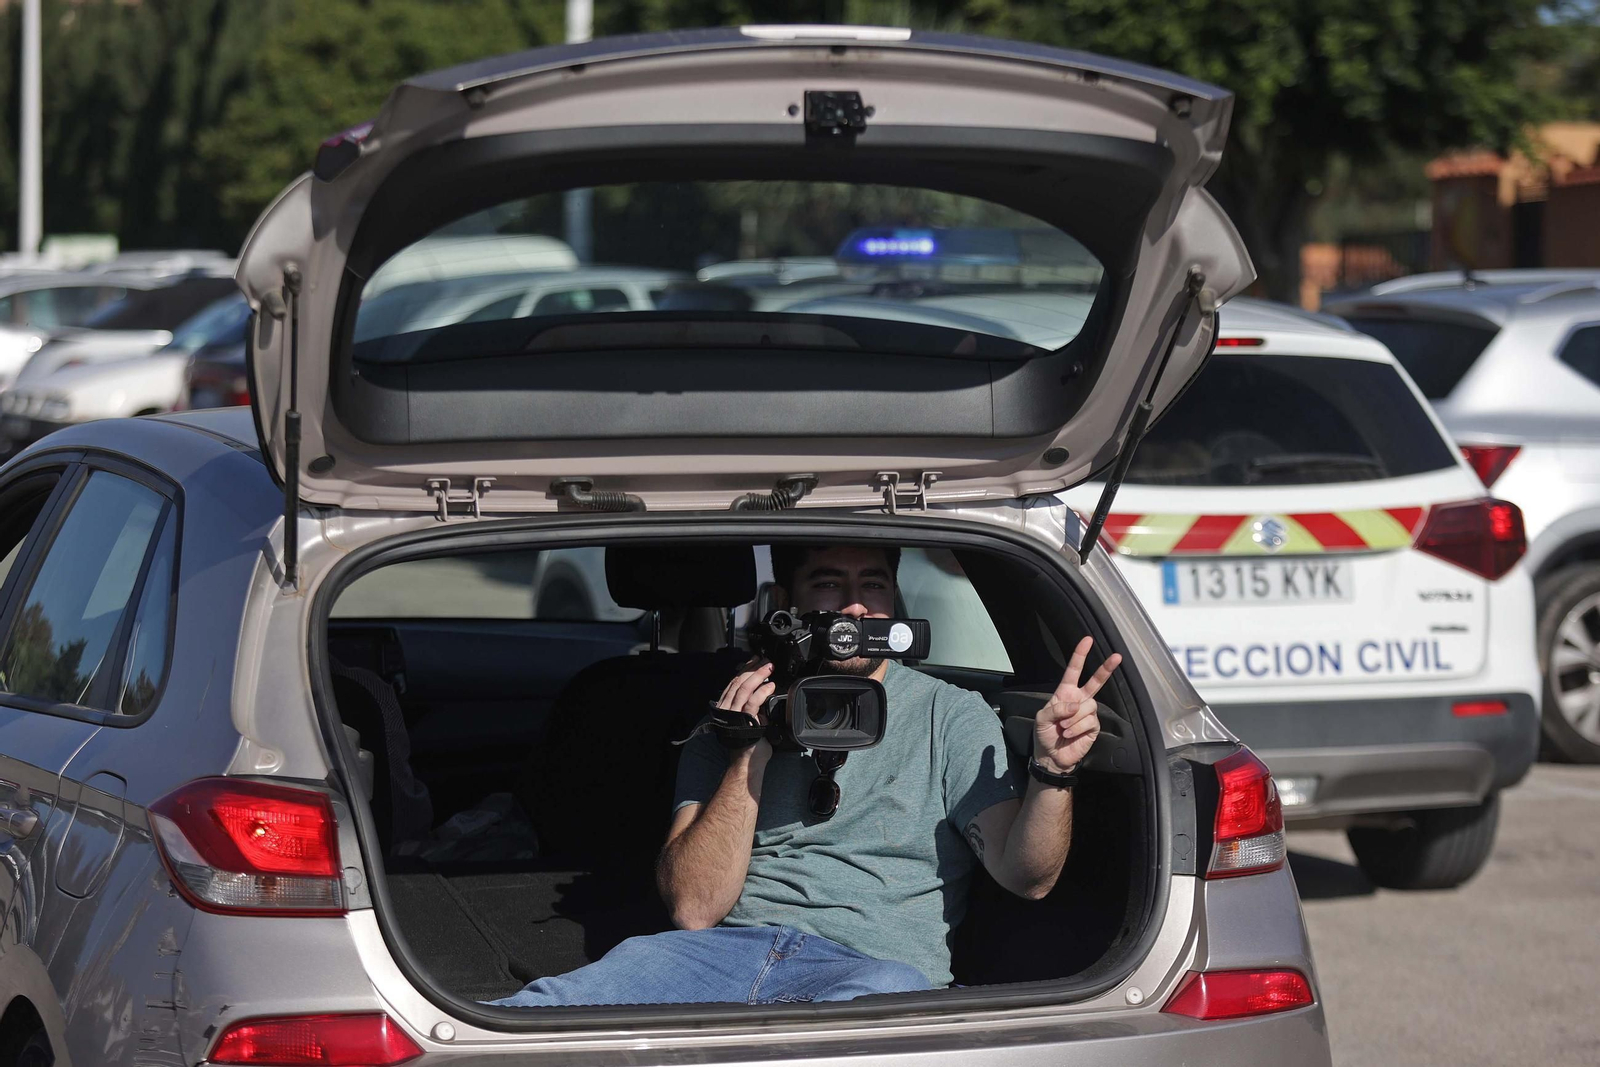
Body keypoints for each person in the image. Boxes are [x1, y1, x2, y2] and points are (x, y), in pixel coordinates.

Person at [490, 543, 1121, 1008]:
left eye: (872, 585)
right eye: (827, 584)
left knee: (884, 1006)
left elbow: (1026, 876)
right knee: (532, 1018)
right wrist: (753, 747)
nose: (853, 604)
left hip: (873, 967)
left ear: (893, 603)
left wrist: (1052, 771)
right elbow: (694, 908)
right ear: (786, 607)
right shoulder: (733, 711)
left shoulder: (949, 714)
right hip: (714, 958)